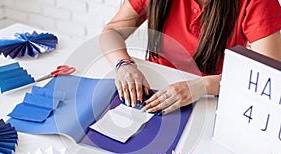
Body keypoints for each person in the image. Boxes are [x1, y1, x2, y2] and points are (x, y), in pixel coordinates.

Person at [100, 0, 281, 115]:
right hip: (153, 87)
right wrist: (123, 64)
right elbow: (112, 31)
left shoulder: (258, 3)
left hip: (210, 100)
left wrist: (203, 86)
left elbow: (268, 78)